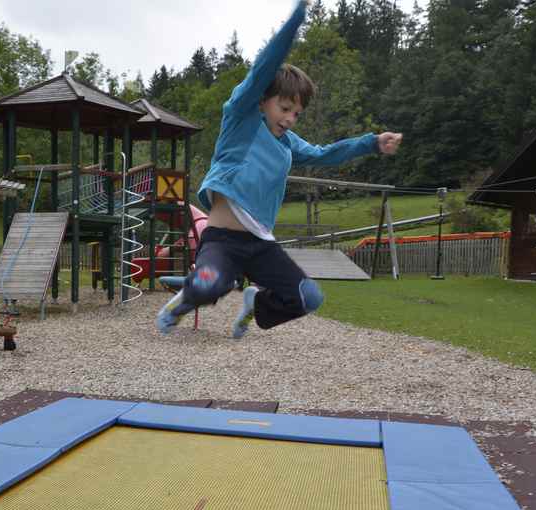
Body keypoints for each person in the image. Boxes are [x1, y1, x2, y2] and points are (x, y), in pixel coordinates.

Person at [156, 0, 403, 338]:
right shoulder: (241, 118)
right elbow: (262, 69)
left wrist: (372, 142)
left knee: (309, 298)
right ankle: (185, 300)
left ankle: (256, 303)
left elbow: (324, 154)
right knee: (209, 284)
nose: (289, 119)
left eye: (296, 114)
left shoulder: (288, 142)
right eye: (285, 108)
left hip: (261, 245)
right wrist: (295, 22)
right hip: (223, 241)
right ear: (262, 100)